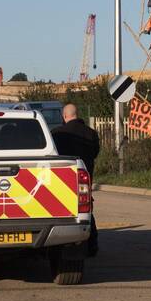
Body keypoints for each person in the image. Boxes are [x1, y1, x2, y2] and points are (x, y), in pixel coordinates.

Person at [53, 103, 100, 256]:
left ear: (64, 116)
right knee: (86, 209)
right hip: (85, 178)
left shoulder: (57, 133)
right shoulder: (91, 133)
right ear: (77, 115)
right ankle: (91, 246)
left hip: (62, 181)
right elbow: (95, 153)